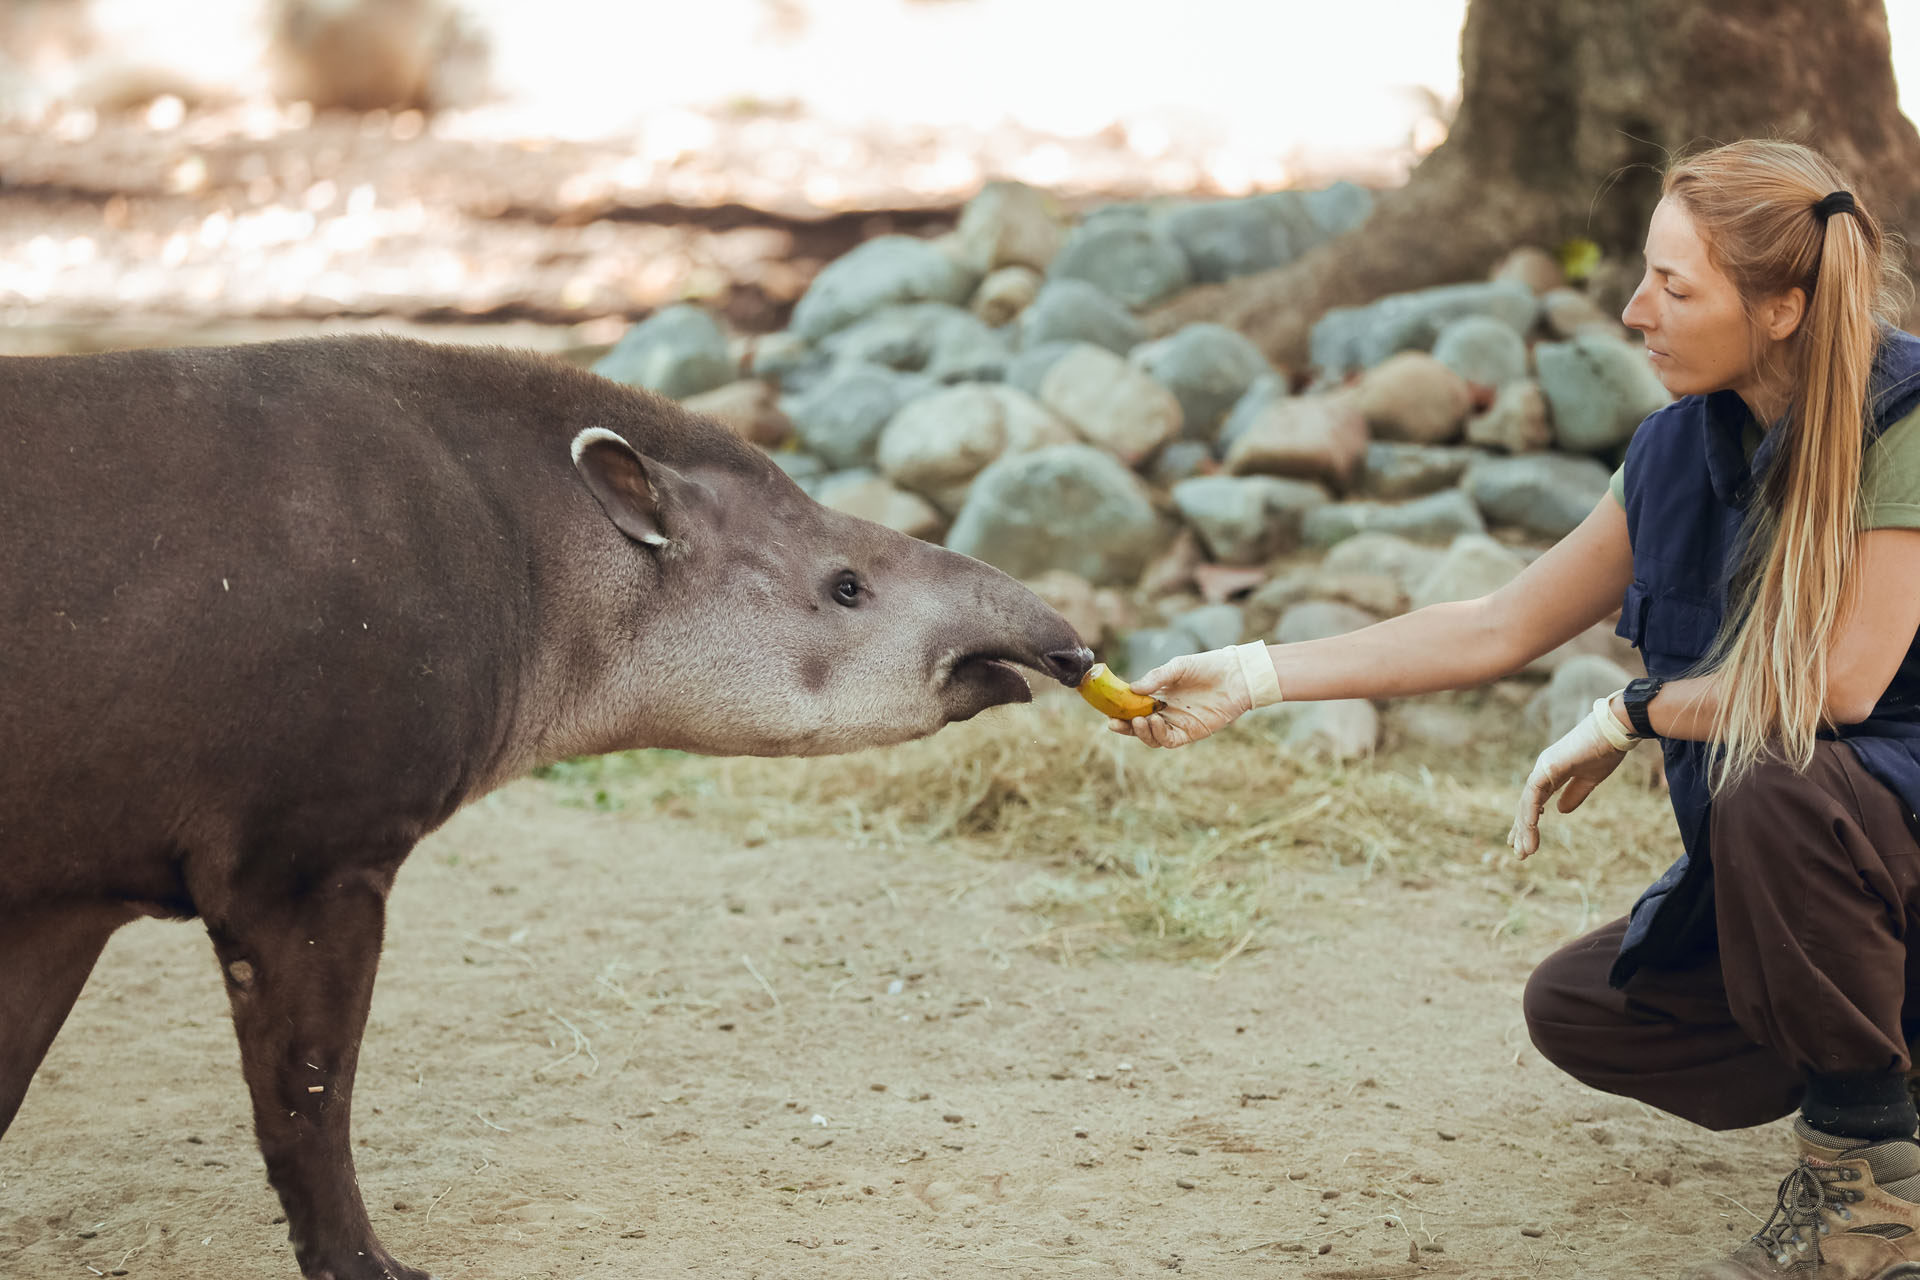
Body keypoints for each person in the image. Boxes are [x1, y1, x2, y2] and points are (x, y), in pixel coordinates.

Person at [1109, 139, 1920, 1279]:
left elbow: (1837, 686)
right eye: (1644, 274)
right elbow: (1497, 623)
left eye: (1675, 286)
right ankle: (1896, 1071)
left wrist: (1633, 712)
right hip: (1852, 883)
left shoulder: (1906, 423)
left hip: (1875, 834)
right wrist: (1253, 674)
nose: (1635, 309)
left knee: (1769, 780)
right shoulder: (1677, 451)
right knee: (1586, 1006)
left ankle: (1870, 1195)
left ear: (1783, 306)